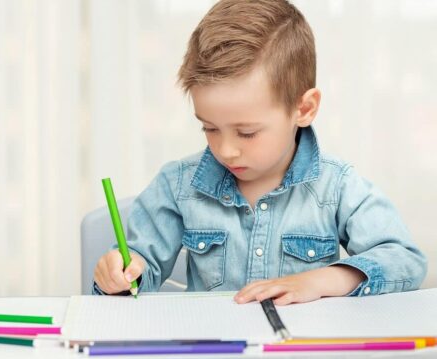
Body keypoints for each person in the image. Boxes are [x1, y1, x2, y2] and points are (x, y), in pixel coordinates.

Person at [93, 0, 426, 305]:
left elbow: (405, 259)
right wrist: (121, 275)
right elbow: (138, 270)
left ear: (304, 108)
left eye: (247, 132)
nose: (226, 149)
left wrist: (322, 280)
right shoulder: (178, 185)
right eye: (209, 127)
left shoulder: (336, 186)